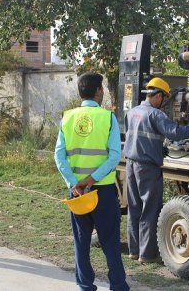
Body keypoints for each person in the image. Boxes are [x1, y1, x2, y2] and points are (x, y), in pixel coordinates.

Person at [123, 77, 189, 264]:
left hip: (131, 163)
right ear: (157, 95)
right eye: (163, 97)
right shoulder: (156, 115)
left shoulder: (132, 112)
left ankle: (134, 251)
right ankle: (147, 255)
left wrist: (156, 145)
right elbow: (176, 133)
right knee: (150, 209)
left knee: (135, 208)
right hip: (147, 167)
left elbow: (136, 137)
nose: (163, 102)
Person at [54, 72, 130, 291]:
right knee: (110, 241)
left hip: (78, 194)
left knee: (81, 241)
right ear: (98, 91)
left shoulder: (67, 117)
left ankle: (85, 285)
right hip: (103, 191)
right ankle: (118, 285)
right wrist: (92, 179)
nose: (103, 92)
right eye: (102, 89)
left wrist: (74, 183)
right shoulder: (107, 118)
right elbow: (115, 155)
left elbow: (59, 156)